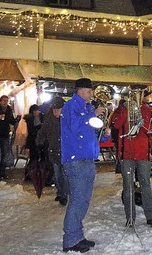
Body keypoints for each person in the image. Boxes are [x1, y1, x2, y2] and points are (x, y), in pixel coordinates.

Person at [60, 78, 108, 253]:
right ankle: (70, 239)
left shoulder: (87, 108)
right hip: (76, 159)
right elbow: (75, 126)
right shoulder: (71, 106)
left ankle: (77, 236)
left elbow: (89, 131)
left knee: (84, 200)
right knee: (78, 199)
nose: (92, 94)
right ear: (80, 91)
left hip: (86, 158)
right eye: (89, 91)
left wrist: (105, 134)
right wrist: (92, 114)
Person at [112, 90, 152, 228]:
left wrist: (144, 122)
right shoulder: (122, 109)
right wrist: (126, 111)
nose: (136, 98)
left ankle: (150, 216)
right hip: (126, 153)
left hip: (143, 153)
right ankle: (130, 218)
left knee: (146, 184)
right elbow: (116, 125)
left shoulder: (148, 110)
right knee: (128, 186)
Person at [37, 97, 68, 205]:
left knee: (64, 175)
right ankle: (60, 192)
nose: (56, 112)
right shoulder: (49, 119)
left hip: (66, 151)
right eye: (54, 109)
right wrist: (39, 142)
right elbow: (42, 131)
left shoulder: (68, 119)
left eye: (58, 109)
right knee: (57, 174)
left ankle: (64, 195)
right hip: (54, 150)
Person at [23, 104, 45, 197]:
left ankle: (36, 175)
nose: (38, 112)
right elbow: (33, 130)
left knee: (39, 158)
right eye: (36, 110)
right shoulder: (31, 119)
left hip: (40, 141)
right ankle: (29, 175)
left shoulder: (41, 117)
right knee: (34, 159)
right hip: (33, 141)